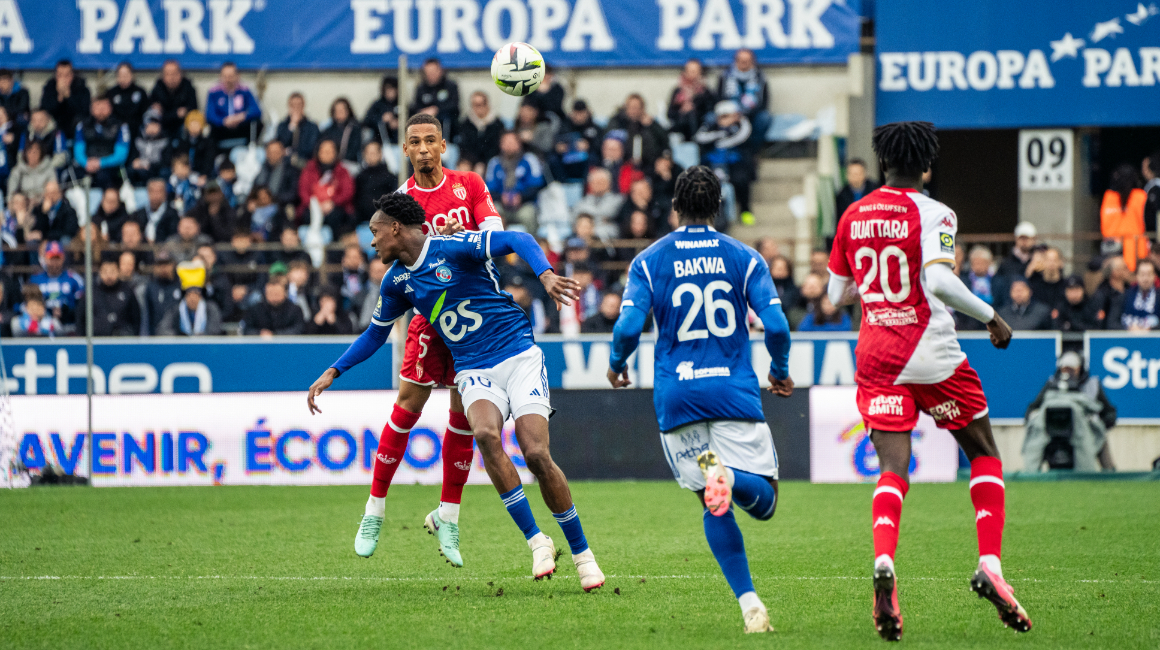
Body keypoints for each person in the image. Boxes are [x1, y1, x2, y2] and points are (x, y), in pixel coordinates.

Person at [307, 191, 605, 590]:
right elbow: (376, 334)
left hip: (517, 355)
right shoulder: (397, 282)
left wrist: (546, 274)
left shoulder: (456, 246)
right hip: (473, 367)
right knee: (483, 434)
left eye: (375, 233)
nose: (372, 242)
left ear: (396, 228)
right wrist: (334, 370)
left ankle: (583, 554)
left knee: (535, 453)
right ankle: (537, 541)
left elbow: (518, 240)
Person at [825, 121, 1029, 639]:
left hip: (876, 354)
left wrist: (874, 289)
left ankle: (885, 561)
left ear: (881, 163)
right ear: (927, 165)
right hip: (929, 349)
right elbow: (937, 279)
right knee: (983, 452)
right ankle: (990, 564)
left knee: (893, 468)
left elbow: (835, 294)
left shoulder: (853, 213)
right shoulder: (934, 212)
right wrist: (990, 315)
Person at [606, 166, 791, 633]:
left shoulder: (649, 260)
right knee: (764, 502)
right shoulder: (744, 257)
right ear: (719, 207)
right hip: (732, 393)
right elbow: (777, 327)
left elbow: (628, 327)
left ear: (673, 208)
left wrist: (616, 362)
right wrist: (780, 370)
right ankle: (727, 474)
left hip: (679, 399)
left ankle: (750, 605)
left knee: (714, 500)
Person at [337, 113, 502, 567]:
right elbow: (397, 259)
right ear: (405, 150)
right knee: (408, 406)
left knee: (463, 415)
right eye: (415, 142)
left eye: (432, 140)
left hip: (473, 319)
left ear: (443, 145)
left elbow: (494, 230)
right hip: (429, 321)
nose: (424, 148)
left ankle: (449, 516)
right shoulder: (402, 201)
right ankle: (374, 510)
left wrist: (459, 236)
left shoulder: (468, 184)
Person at [1023, 352, 1117, 472]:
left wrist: (1098, 423)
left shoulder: (1092, 385)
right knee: (1035, 435)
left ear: (1079, 368)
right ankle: (1032, 474)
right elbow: (1032, 408)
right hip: (1052, 433)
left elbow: (1110, 413)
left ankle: (1110, 474)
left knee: (1101, 434)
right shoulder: (1052, 384)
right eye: (1065, 368)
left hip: (1084, 432)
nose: (1068, 372)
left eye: (1072, 369)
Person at [695, 100, 754, 226]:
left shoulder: (741, 127)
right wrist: (720, 133)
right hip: (713, 163)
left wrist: (739, 122)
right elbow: (700, 138)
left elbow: (743, 137)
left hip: (734, 163)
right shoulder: (711, 127)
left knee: (741, 179)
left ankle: (745, 210)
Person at [484, 131, 545, 233]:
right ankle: (496, 246)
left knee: (529, 214)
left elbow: (537, 185)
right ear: (500, 145)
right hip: (502, 205)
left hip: (524, 205)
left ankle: (530, 247)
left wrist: (521, 197)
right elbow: (488, 189)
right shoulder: (494, 162)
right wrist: (501, 197)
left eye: (512, 142)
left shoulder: (530, 159)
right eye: (506, 142)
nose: (509, 146)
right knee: (492, 212)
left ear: (519, 144)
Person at [297, 139, 355, 235]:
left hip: (334, 206)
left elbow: (348, 192)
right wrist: (316, 205)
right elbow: (303, 191)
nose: (327, 154)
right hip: (313, 206)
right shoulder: (309, 169)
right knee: (307, 216)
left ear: (335, 153)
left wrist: (333, 202)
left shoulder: (342, 171)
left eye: (330, 151)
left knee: (338, 217)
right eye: (324, 151)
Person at [1101, 163, 1149, 272]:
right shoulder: (1140, 196)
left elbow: (1103, 223)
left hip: (1112, 247)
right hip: (1136, 249)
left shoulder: (1108, 197)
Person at [73, 97, 130, 189]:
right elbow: (78, 151)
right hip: (87, 165)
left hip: (110, 167)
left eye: (104, 107)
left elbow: (121, 155)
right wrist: (86, 163)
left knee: (104, 177)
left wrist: (100, 163)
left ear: (110, 108)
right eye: (97, 107)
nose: (101, 111)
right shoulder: (82, 126)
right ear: (91, 109)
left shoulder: (121, 126)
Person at [717, 49, 770, 147]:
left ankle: (753, 150)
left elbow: (764, 102)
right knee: (710, 118)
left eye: (747, 61)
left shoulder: (760, 77)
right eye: (741, 60)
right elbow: (719, 99)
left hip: (752, 114)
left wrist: (743, 114)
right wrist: (729, 115)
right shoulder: (725, 76)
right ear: (736, 61)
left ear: (752, 61)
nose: (744, 63)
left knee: (764, 118)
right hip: (729, 113)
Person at [158, 261, 224, 336]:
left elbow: (215, 330)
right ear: (185, 296)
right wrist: (178, 338)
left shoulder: (211, 309)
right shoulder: (176, 310)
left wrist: (200, 337)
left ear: (201, 296)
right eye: (189, 294)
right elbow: (163, 329)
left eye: (196, 294)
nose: (192, 298)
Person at [205, 62, 261, 150]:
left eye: (231, 76)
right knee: (211, 129)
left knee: (258, 123)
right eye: (225, 76)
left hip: (241, 127)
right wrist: (224, 121)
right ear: (220, 77)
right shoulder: (214, 92)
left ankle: (248, 150)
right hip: (222, 129)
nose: (228, 80)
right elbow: (210, 115)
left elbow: (257, 110)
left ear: (237, 76)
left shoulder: (245, 90)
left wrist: (241, 117)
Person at [81, 257, 141, 336]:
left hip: (122, 341)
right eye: (105, 271)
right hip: (97, 341)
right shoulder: (91, 293)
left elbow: (136, 317)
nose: (109, 275)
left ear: (118, 272)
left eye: (112, 271)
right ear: (100, 273)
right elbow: (81, 318)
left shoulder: (127, 291)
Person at [608, 93, 669, 171]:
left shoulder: (651, 125)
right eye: (631, 107)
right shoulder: (619, 122)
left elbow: (664, 141)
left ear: (642, 109)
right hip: (623, 165)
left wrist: (651, 125)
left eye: (636, 108)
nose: (633, 111)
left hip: (648, 165)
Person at [31, 241, 84, 327]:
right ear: (45, 258)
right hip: (41, 324)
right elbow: (28, 304)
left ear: (63, 258)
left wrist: (66, 311)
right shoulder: (35, 279)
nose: (54, 262)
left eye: (57, 258)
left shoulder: (74, 279)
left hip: (68, 324)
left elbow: (81, 306)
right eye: (51, 258)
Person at [667, 59, 717, 141]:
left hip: (700, 126)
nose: (693, 75)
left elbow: (710, 111)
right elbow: (670, 114)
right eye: (690, 71)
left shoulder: (706, 92)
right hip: (680, 127)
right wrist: (682, 111)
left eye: (695, 71)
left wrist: (695, 103)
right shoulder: (678, 92)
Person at [409, 58, 460, 139]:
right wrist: (423, 112)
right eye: (428, 72)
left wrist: (437, 110)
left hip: (447, 132)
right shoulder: (421, 88)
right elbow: (415, 108)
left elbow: (455, 107)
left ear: (440, 71)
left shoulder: (450, 86)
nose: (431, 75)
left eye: (433, 72)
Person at [149, 60, 199, 140]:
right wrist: (176, 114)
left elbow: (193, 110)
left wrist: (168, 114)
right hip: (163, 125)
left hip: (182, 125)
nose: (171, 78)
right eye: (168, 74)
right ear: (163, 76)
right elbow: (155, 113)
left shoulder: (188, 88)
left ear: (180, 74)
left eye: (174, 73)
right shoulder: (158, 89)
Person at [571, 167, 624, 241]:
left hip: (610, 241)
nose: (598, 184)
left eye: (601, 181)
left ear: (609, 183)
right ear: (590, 184)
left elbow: (619, 226)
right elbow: (574, 222)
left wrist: (590, 222)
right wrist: (603, 219)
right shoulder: (581, 203)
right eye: (595, 182)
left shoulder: (619, 201)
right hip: (584, 241)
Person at [457, 91, 504, 173]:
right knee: (462, 169)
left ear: (487, 105)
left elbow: (496, 147)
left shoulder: (497, 124)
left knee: (480, 171)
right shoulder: (466, 123)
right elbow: (464, 146)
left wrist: (482, 162)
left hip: (489, 160)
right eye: (474, 105)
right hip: (469, 160)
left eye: (480, 105)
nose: (478, 108)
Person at [40, 60, 90, 132]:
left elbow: (83, 112)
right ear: (55, 75)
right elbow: (46, 110)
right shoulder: (49, 88)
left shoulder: (82, 89)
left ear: (72, 75)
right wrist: (59, 97)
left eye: (67, 75)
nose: (63, 79)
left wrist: (68, 97)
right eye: (60, 75)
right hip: (54, 127)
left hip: (75, 126)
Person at [142, 248, 183, 335]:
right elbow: (147, 316)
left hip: (178, 338)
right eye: (160, 265)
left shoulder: (181, 285)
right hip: (156, 337)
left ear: (173, 265)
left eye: (166, 264)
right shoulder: (151, 287)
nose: (163, 268)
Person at [1112, 258, 1159, 330]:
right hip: (1128, 340)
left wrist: (1151, 329)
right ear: (1136, 276)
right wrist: (1129, 328)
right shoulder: (1124, 296)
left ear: (1154, 276)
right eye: (1142, 274)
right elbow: (1112, 323)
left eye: (1149, 274)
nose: (1145, 279)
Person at [276, 93, 320, 168]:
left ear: (303, 106)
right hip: (284, 164)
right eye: (293, 105)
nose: (296, 108)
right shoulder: (282, 126)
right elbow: (280, 145)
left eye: (299, 105)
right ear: (289, 106)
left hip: (304, 163)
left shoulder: (312, 127)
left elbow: (311, 148)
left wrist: (291, 152)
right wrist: (292, 126)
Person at [354, 141, 392, 225]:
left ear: (380, 154)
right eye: (369, 153)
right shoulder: (359, 177)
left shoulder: (389, 176)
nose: (371, 156)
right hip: (362, 219)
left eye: (374, 153)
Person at [105, 62, 148, 137]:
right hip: (115, 130)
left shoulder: (140, 92)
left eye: (126, 75)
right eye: (121, 75)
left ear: (132, 75)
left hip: (137, 130)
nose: (123, 78)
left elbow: (145, 111)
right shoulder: (111, 93)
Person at [128, 108, 170, 185]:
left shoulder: (165, 141)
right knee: (131, 171)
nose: (152, 127)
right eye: (150, 124)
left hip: (156, 169)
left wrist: (150, 165)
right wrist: (136, 163)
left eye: (155, 124)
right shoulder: (138, 140)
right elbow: (133, 158)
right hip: (141, 168)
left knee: (163, 172)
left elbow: (166, 162)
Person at [134, 178, 180, 244]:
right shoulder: (138, 214)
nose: (155, 195)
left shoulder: (173, 214)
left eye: (159, 191)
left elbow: (173, 236)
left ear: (165, 194)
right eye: (152, 191)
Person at [1091, 256, 1131, 329]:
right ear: (1114, 272)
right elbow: (1099, 320)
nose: (1128, 270)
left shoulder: (1130, 290)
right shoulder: (1103, 293)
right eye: (1125, 268)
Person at [174, 110, 216, 177]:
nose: (194, 126)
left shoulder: (208, 143)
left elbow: (209, 161)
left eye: (197, 123)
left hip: (201, 174)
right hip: (185, 174)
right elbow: (180, 159)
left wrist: (204, 174)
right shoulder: (182, 142)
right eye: (191, 123)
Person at [321, 97, 362, 165]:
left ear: (348, 111)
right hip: (330, 163)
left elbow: (354, 150)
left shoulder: (355, 128)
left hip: (348, 162)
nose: (339, 112)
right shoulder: (328, 130)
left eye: (342, 109)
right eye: (337, 110)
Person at [361, 75, 399, 146]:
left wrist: (401, 123)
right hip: (380, 143)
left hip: (400, 142)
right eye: (387, 89)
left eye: (392, 89)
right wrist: (381, 119)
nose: (390, 91)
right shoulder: (378, 105)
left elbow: (412, 118)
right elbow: (366, 121)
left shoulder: (402, 104)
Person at [1027, 246, 1066, 311]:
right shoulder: (1035, 284)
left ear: (1060, 262)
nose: (1051, 263)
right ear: (1043, 262)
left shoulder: (1065, 286)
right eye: (1048, 260)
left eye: (1055, 260)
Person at [1143, 153, 1160, 235]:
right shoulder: (1150, 186)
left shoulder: (1155, 187)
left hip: (1155, 232)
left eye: (1144, 167)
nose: (1142, 170)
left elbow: (1156, 212)